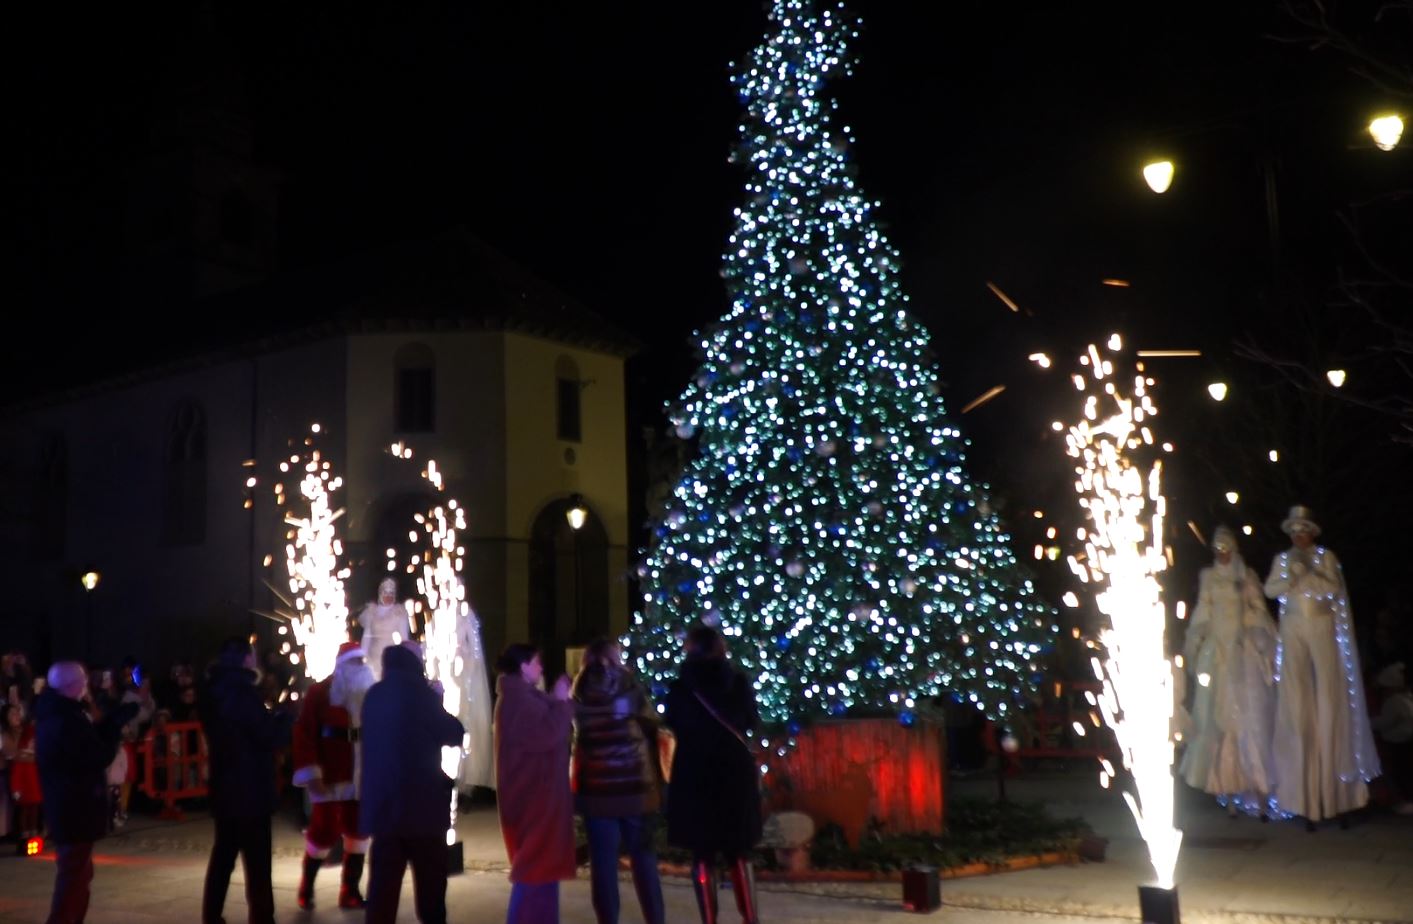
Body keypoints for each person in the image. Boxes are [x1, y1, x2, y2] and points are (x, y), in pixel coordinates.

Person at [1264, 505, 1381, 829]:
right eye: (1294, 531)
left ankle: (1337, 794)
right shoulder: (1282, 560)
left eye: (1304, 530)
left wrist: (1311, 573)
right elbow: (1270, 589)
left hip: (1322, 627)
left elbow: (1333, 589)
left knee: (1330, 698)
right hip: (1293, 627)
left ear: (1312, 532)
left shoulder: (1326, 557)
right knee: (1296, 702)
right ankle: (1300, 796)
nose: (1299, 535)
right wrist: (1292, 576)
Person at [361, 642, 464, 924]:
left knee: (382, 892)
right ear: (414, 662)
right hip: (423, 810)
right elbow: (454, 734)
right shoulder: (423, 696)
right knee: (430, 893)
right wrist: (439, 700)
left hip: (384, 809)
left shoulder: (374, 695)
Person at [1179, 525, 1279, 816]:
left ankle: (1258, 788)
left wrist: (1255, 631)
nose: (1222, 555)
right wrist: (1196, 640)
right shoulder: (1208, 577)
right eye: (1217, 551)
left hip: (1242, 652)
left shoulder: (1246, 576)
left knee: (1250, 719)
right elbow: (1203, 611)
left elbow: (1258, 608)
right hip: (1217, 653)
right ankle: (1228, 792)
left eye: (1226, 550)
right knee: (1217, 718)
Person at [666, 625, 762, 924]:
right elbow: (750, 720)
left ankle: (709, 919)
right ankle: (750, 917)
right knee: (739, 850)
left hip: (695, 772)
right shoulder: (737, 682)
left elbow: (673, 723)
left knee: (702, 852)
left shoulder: (681, 688)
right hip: (733, 771)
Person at [34, 660, 138, 924]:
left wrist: (106, 725)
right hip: (74, 807)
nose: (86, 686)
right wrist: (113, 729)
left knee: (79, 875)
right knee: (73, 877)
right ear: (74, 686)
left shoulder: (60, 713)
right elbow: (96, 755)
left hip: (70, 805)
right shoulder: (65, 718)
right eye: (82, 681)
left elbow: (87, 745)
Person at [200, 637, 294, 924]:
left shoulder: (214, 690)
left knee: (223, 857)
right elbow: (266, 734)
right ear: (244, 660)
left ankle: (211, 915)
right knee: (257, 864)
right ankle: (262, 917)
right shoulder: (240, 693)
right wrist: (285, 718)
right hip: (250, 788)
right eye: (251, 656)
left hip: (225, 785)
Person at [572, 638, 666, 924]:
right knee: (643, 858)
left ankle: (608, 920)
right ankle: (655, 919)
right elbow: (653, 723)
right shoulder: (630, 687)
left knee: (602, 863)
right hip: (635, 786)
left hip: (597, 791)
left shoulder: (579, 691)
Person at [495, 643, 575, 924]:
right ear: (523, 666)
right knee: (534, 870)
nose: (541, 667)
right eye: (537, 662)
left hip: (539, 796)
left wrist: (557, 699)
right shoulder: (518, 700)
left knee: (543, 871)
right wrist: (563, 702)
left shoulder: (525, 696)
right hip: (534, 799)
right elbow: (546, 734)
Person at [292, 640, 375, 910]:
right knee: (323, 832)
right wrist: (312, 773)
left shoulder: (372, 694)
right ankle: (307, 886)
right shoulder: (320, 692)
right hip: (330, 774)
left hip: (362, 776)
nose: (359, 667)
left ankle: (350, 890)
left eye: (361, 662)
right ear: (341, 665)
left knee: (359, 831)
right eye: (353, 662)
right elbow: (305, 734)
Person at [359, 578, 412, 682]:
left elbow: (404, 638)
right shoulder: (371, 611)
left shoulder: (399, 612)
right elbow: (367, 636)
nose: (388, 596)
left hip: (392, 657)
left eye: (391, 593)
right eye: (385, 592)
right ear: (380, 593)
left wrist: (405, 657)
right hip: (374, 656)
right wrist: (362, 656)